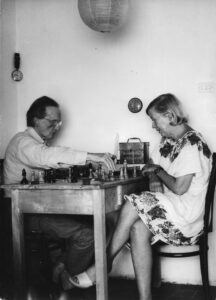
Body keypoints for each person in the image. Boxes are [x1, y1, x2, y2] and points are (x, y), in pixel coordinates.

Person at [65, 93, 212, 300]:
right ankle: (145, 297)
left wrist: (158, 172)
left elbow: (179, 188)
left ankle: (101, 266)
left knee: (135, 202)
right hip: (173, 209)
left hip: (188, 217)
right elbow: (151, 164)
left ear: (169, 115)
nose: (153, 126)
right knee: (137, 226)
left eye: (154, 119)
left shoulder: (191, 143)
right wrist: (153, 174)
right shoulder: (170, 140)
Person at [3, 95, 116, 290]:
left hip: (42, 208)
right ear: (36, 120)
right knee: (89, 233)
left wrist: (91, 162)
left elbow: (57, 159)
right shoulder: (22, 142)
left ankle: (63, 267)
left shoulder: (37, 145)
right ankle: (68, 278)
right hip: (22, 215)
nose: (56, 127)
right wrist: (91, 156)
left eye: (59, 123)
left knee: (104, 223)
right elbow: (46, 157)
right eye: (52, 122)